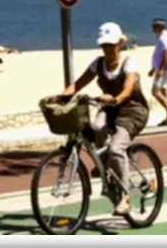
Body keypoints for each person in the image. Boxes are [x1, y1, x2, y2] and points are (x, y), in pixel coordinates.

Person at [57, 21, 150, 216]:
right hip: (109, 109)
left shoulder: (129, 63)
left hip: (132, 111)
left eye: (110, 44)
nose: (107, 48)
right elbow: (78, 84)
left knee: (117, 147)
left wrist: (115, 99)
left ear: (119, 44)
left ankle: (125, 196)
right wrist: (60, 97)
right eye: (103, 45)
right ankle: (105, 166)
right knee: (97, 126)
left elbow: (127, 89)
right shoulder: (98, 64)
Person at [147, 18, 167, 126]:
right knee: (164, 93)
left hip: (164, 69)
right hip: (166, 68)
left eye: (154, 26)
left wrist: (161, 69)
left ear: (160, 26)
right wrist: (153, 68)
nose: (152, 28)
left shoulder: (163, 38)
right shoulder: (166, 36)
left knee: (155, 92)